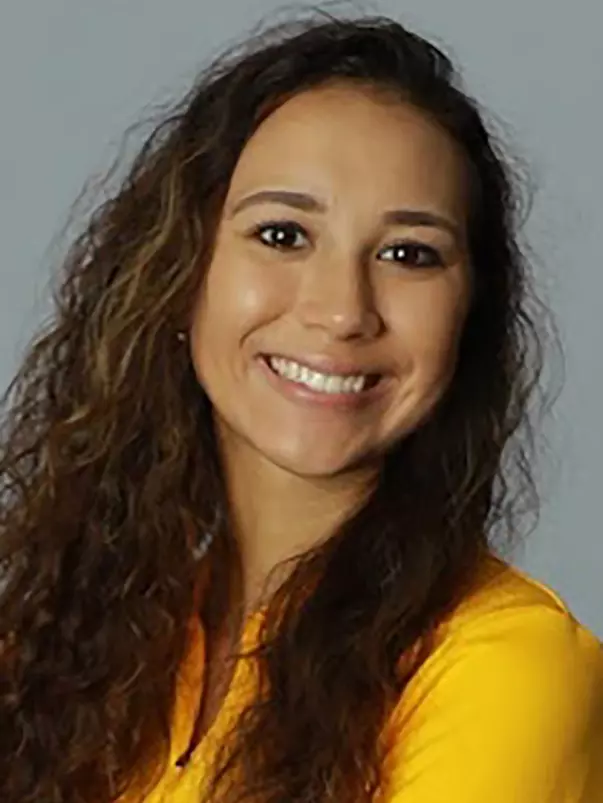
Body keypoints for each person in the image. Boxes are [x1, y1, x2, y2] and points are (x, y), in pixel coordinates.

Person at [0, 8, 601, 803]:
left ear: (469, 316)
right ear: (181, 271)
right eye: (283, 235)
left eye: (407, 253)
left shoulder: (509, 667)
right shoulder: (71, 637)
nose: (341, 309)